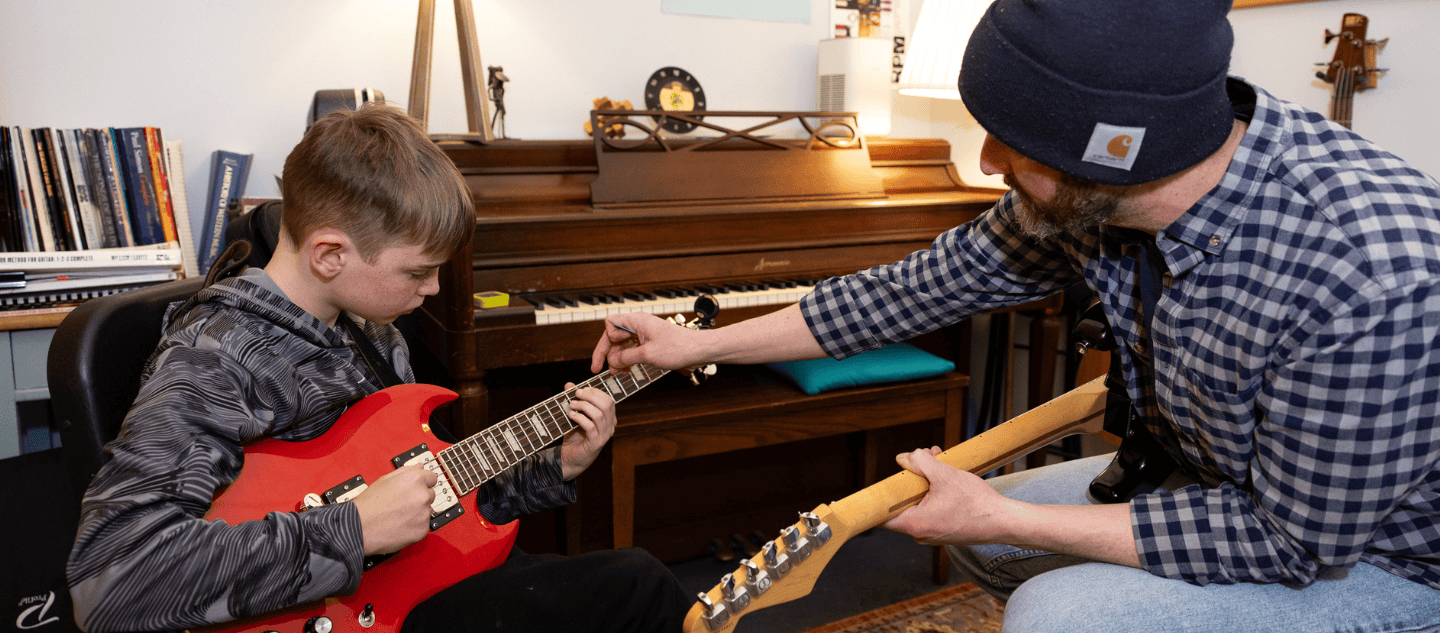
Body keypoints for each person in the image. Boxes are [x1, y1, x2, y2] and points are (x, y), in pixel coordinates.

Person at [591, 1, 1440, 631]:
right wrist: (697, 344)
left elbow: (1289, 543)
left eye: (1016, 144)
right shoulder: (1097, 195)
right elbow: (905, 292)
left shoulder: (1369, 271)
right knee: (985, 545)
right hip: (1212, 482)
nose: (988, 161)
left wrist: (999, 511)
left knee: (1057, 611)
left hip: (1380, 557)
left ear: (1118, 149)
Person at [66, 104, 687, 633]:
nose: (434, 288)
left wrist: (554, 465)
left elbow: (427, 496)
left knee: (617, 581)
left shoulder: (370, 328)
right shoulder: (216, 356)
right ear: (331, 254)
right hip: (333, 610)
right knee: (638, 586)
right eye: (418, 272)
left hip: (405, 591)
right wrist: (355, 527)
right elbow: (112, 578)